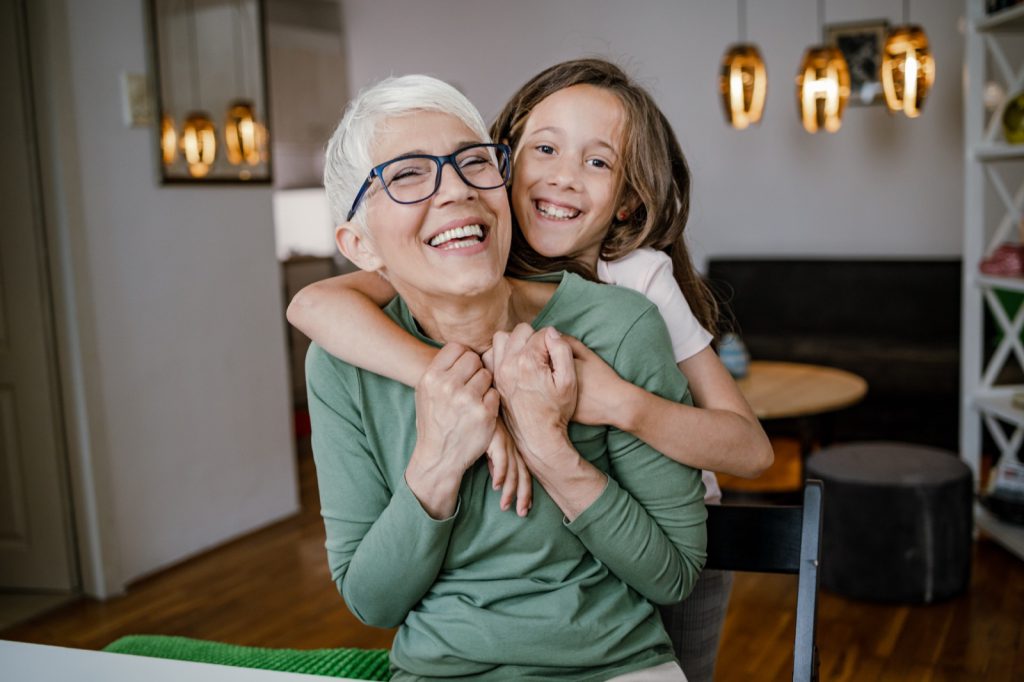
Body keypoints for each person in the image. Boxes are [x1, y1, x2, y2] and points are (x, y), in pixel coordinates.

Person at [290, 59, 772, 681]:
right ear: (512, 161)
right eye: (544, 149)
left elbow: (748, 456)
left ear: (628, 202)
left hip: (648, 568)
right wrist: (462, 404)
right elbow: (311, 304)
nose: (563, 178)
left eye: (598, 162)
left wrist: (591, 418)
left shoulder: (637, 291)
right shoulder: (387, 313)